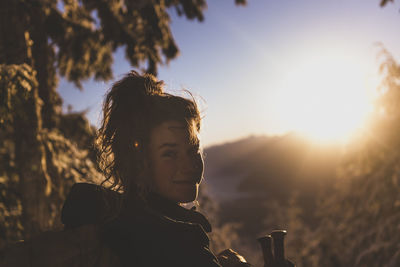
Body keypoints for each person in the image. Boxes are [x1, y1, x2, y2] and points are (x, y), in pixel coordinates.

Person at [0, 71, 251, 267]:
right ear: (140, 162)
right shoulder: (177, 243)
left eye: (193, 149)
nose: (190, 164)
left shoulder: (107, 221)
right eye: (169, 154)